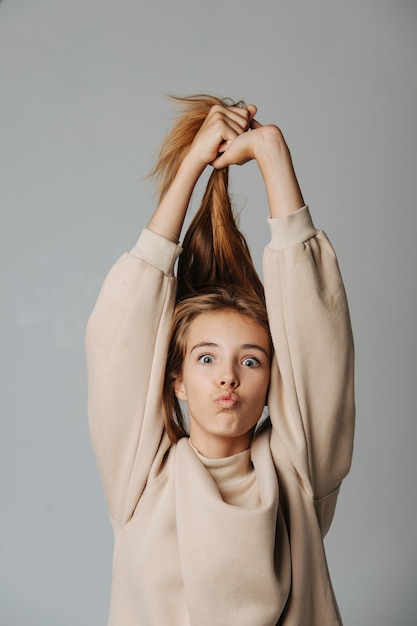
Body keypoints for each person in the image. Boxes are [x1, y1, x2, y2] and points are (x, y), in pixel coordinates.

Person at [85, 95, 355, 625]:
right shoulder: (141, 479)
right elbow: (120, 336)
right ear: (177, 380)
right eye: (206, 359)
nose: (228, 375)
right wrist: (191, 167)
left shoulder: (297, 476)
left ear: (274, 379)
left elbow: (319, 341)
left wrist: (273, 153)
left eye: (251, 360)